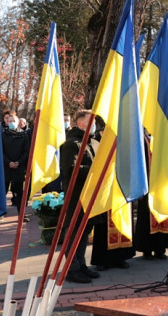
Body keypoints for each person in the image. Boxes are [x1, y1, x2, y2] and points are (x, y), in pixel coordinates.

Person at [60, 110, 101, 284]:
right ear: (79, 123)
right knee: (73, 232)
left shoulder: (94, 142)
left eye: (94, 122)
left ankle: (81, 263)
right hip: (76, 196)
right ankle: (72, 269)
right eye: (90, 122)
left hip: (90, 196)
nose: (94, 125)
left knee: (84, 232)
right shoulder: (72, 143)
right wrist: (95, 171)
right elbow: (70, 169)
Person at [134, 130, 168, 260]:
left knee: (162, 215)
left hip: (163, 186)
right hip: (146, 186)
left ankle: (161, 249)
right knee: (146, 217)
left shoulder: (165, 137)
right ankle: (146, 249)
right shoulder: (139, 139)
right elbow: (135, 164)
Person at [1, 110, 31, 220]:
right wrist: (8, 162)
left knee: (20, 193)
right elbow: (0, 151)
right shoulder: (2, 134)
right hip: (6, 167)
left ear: (18, 121)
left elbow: (27, 151)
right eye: (10, 121)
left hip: (19, 167)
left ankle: (21, 215)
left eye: (14, 120)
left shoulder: (24, 135)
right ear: (7, 122)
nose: (12, 122)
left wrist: (19, 162)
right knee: (2, 192)